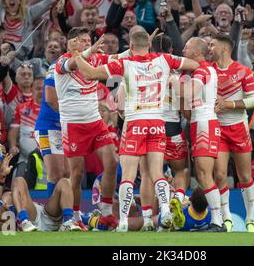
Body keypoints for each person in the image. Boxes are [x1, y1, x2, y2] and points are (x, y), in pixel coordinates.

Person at [72, 30, 199, 232]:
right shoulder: (164, 60)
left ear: (131, 47)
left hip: (135, 123)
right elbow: (194, 65)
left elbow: (90, 73)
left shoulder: (124, 64)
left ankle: (123, 221)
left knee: (129, 176)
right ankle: (165, 209)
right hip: (158, 123)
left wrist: (75, 55)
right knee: (157, 172)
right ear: (148, 45)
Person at [54, 27, 118, 227]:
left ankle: (106, 211)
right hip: (73, 125)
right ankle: (74, 217)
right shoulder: (61, 62)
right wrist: (86, 52)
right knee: (77, 173)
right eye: (83, 41)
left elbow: (117, 58)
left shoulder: (95, 59)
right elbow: (73, 63)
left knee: (112, 163)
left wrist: (139, 49)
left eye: (89, 41)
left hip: (95, 122)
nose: (88, 45)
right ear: (72, 42)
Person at [210, 33, 254, 233]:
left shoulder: (243, 71)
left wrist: (228, 104)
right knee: (220, 175)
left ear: (224, 48)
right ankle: (227, 218)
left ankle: (250, 219)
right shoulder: (208, 70)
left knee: (245, 176)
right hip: (217, 129)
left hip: (238, 128)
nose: (209, 48)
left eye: (212, 45)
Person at [176, 37, 225, 232]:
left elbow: (188, 93)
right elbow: (187, 110)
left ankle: (217, 221)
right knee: (202, 174)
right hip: (199, 122)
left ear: (197, 52)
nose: (183, 49)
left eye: (187, 47)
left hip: (205, 123)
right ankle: (218, 220)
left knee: (204, 174)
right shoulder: (201, 70)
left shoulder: (202, 70)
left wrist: (171, 80)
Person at [34, 62, 67, 199]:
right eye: (82, 40)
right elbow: (50, 100)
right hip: (49, 128)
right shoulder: (57, 66)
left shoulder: (86, 68)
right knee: (56, 174)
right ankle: (53, 216)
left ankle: (68, 212)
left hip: (67, 128)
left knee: (69, 174)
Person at [10, 176, 81, 232]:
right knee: (18, 180)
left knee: (64, 182)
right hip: (31, 218)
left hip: (47, 214)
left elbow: (84, 217)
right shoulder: (7, 197)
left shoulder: (13, 194)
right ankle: (24, 222)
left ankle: (68, 223)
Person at [8, 77, 44, 176]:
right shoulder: (22, 108)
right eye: (38, 88)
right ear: (31, 89)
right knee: (17, 181)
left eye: (44, 88)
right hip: (25, 158)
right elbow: (14, 130)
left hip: (48, 159)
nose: (41, 91)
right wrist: (12, 146)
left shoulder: (55, 108)